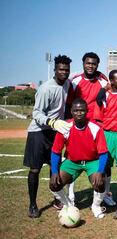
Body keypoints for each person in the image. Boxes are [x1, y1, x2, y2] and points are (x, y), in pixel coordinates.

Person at [23, 54, 73, 218]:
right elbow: (36, 113)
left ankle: (57, 199)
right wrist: (52, 122)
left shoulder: (67, 84)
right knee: (35, 169)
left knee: (55, 167)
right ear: (55, 70)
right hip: (38, 133)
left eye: (66, 69)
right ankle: (32, 205)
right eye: (61, 69)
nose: (64, 72)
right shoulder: (46, 88)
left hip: (55, 132)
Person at [49, 98, 109, 219]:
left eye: (82, 110)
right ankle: (68, 205)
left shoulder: (95, 128)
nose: (79, 113)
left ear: (87, 111)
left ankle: (96, 206)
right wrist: (55, 172)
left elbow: (103, 153)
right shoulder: (65, 127)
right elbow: (56, 152)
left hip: (92, 161)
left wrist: (100, 171)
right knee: (54, 184)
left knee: (100, 183)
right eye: (76, 110)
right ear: (71, 111)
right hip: (72, 162)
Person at [69, 52, 108, 203]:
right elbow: (69, 103)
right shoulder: (75, 81)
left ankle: (103, 196)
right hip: (78, 125)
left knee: (103, 159)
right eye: (88, 63)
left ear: (97, 65)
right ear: (83, 63)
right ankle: (71, 194)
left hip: (97, 125)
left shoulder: (103, 80)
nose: (90, 66)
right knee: (73, 157)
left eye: (93, 63)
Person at [93, 70, 117, 207]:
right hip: (106, 134)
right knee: (105, 166)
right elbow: (98, 119)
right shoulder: (103, 97)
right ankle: (106, 194)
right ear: (111, 81)